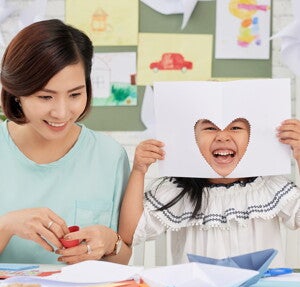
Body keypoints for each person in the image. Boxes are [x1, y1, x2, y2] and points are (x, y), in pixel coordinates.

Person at [0, 19, 131, 265]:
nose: (61, 113)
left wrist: (110, 242)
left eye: (75, 94)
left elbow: (122, 260)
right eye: (45, 96)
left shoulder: (109, 156)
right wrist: (6, 226)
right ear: (17, 93)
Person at [119, 119, 300, 267]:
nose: (222, 136)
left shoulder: (269, 186)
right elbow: (130, 233)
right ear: (193, 137)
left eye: (236, 127)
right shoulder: (176, 190)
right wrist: (139, 170)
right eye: (210, 128)